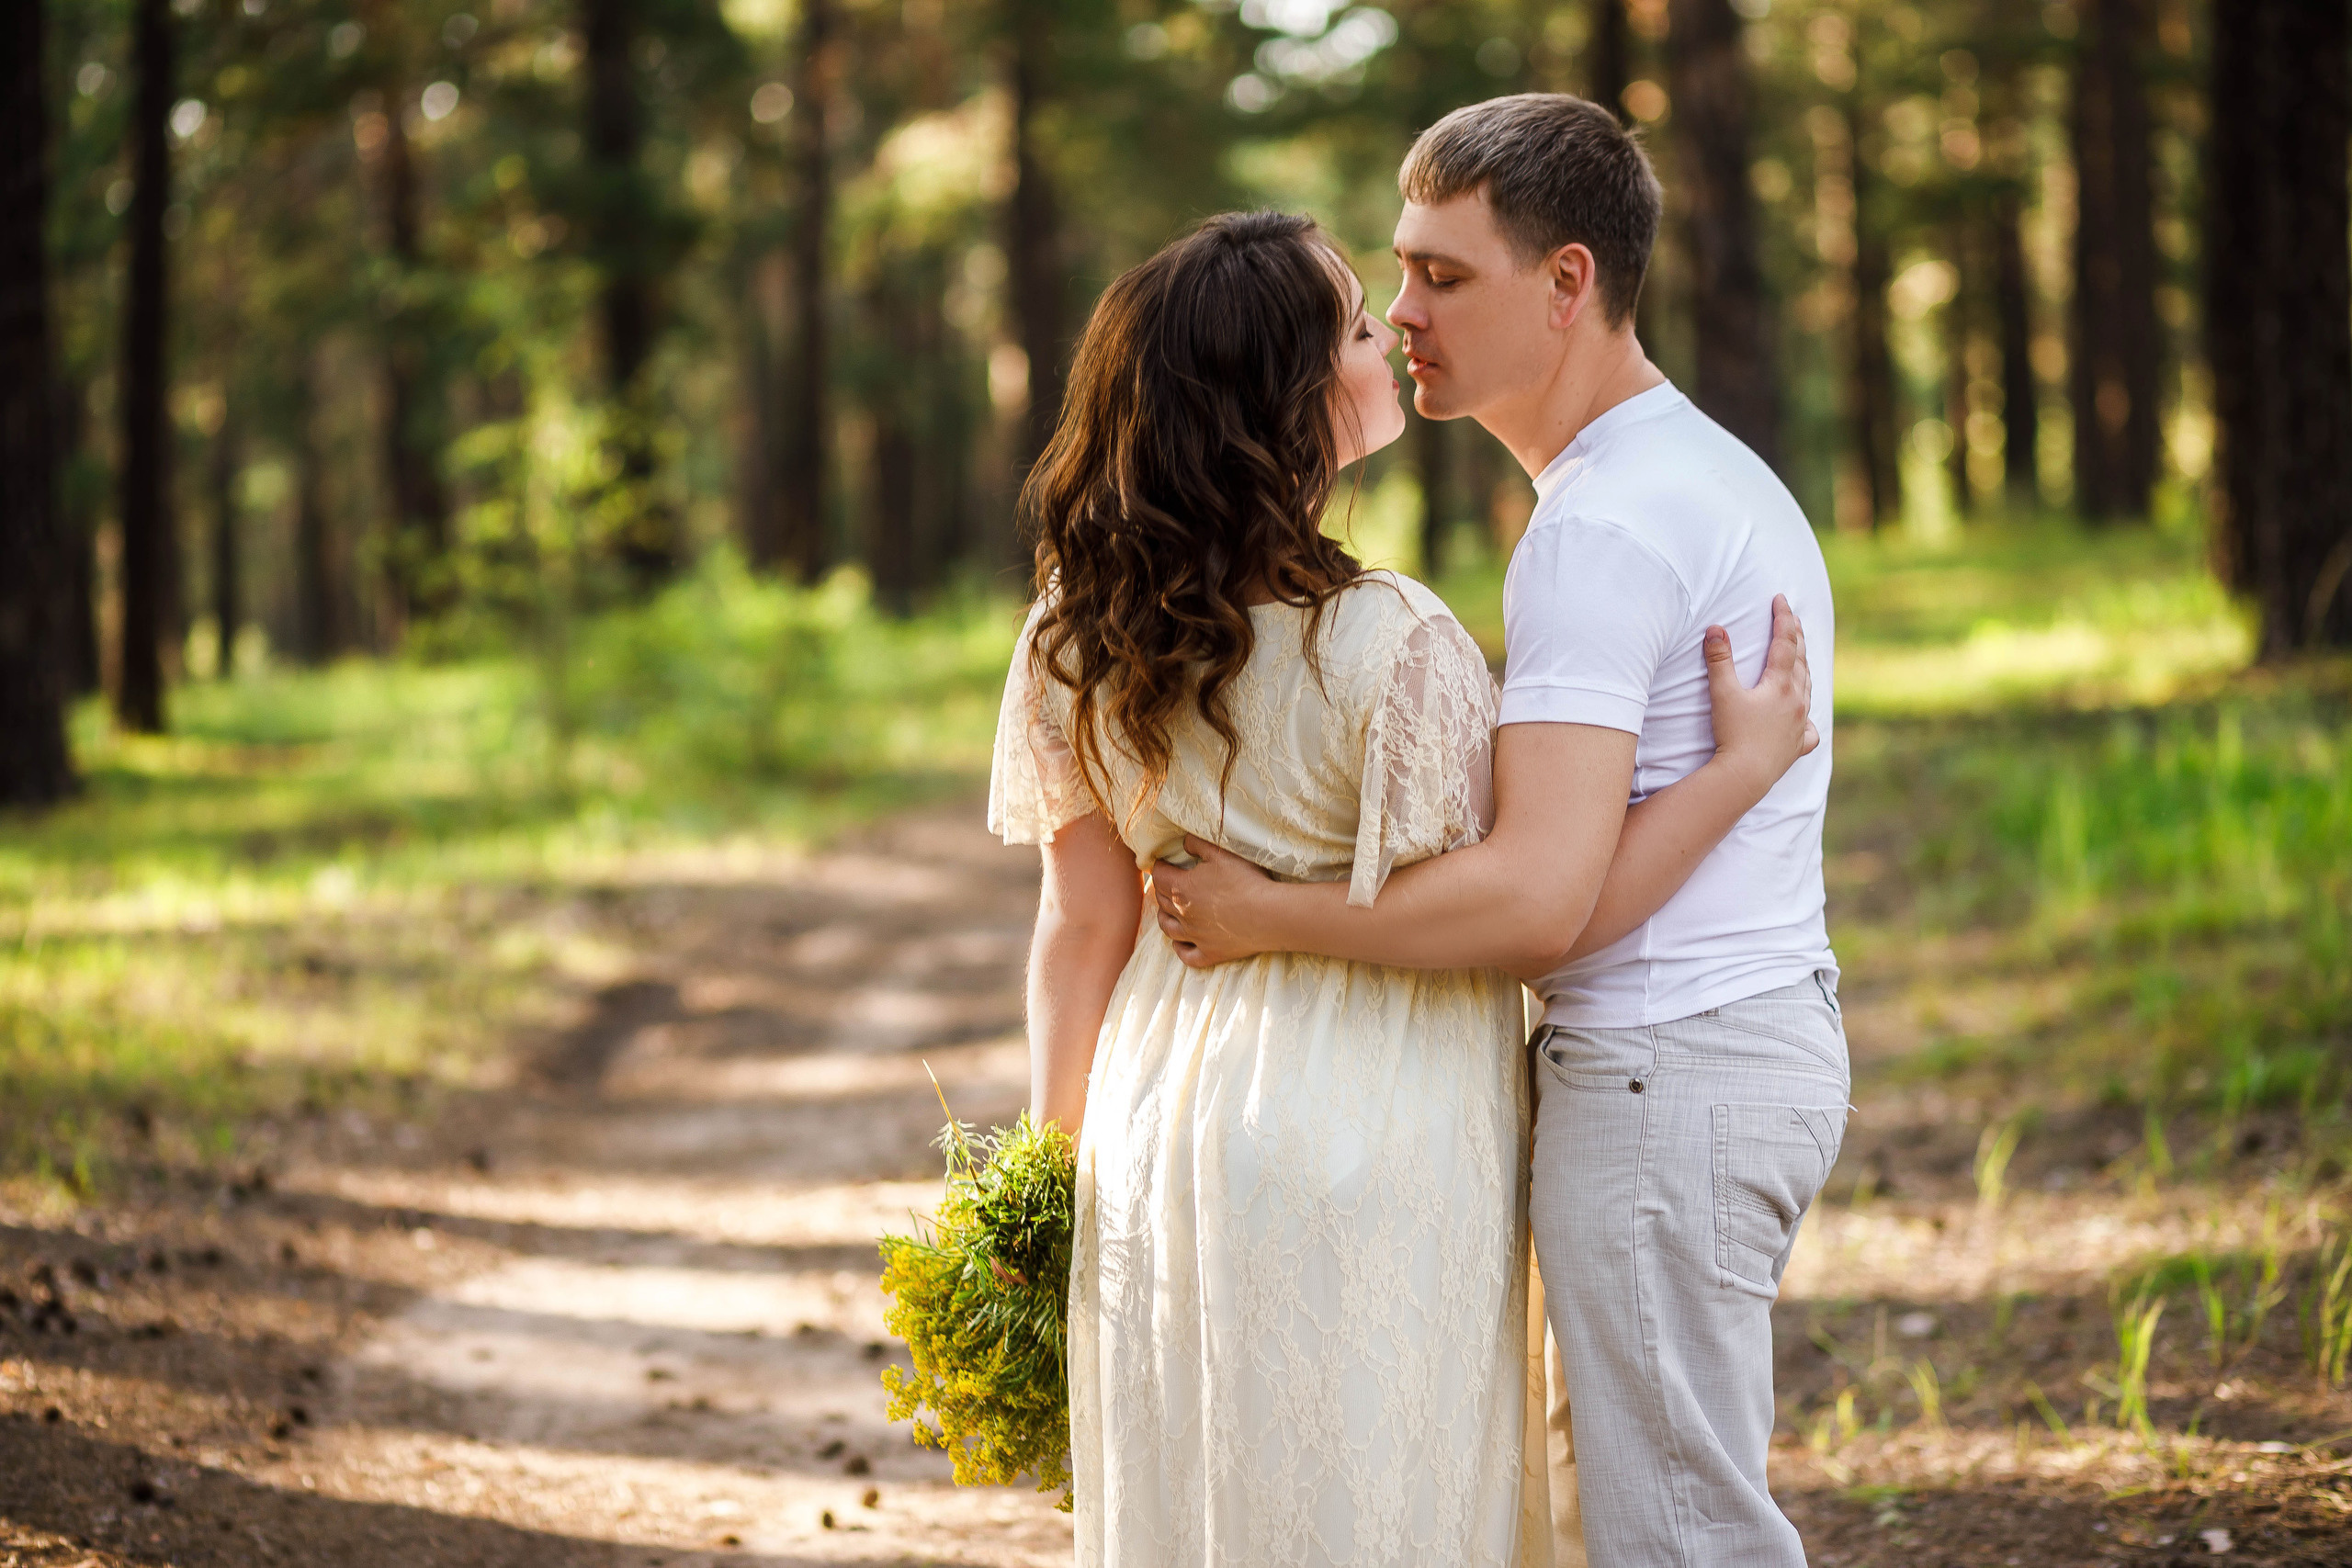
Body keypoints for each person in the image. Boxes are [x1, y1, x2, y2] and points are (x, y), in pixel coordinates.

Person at [992, 207, 1817, 1568]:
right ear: (1295, 401)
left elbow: (1080, 927)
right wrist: (1739, 771)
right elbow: (1525, 902)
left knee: (1205, 1493)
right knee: (1381, 1501)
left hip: (1163, 1116)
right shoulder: (1392, 640)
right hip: (1381, 1115)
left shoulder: (1072, 634)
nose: (1394, 333)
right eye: (1360, 327)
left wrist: (1049, 1174)